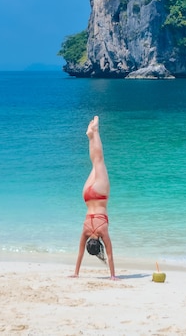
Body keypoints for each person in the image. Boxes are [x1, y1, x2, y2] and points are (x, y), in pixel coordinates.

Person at [71, 115, 118, 280]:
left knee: (99, 161)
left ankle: (95, 132)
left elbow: (110, 256)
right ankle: (91, 136)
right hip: (87, 196)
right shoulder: (85, 231)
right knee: (95, 163)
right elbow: (79, 254)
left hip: (100, 195)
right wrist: (75, 273)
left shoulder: (102, 231)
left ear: (99, 246)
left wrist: (113, 275)